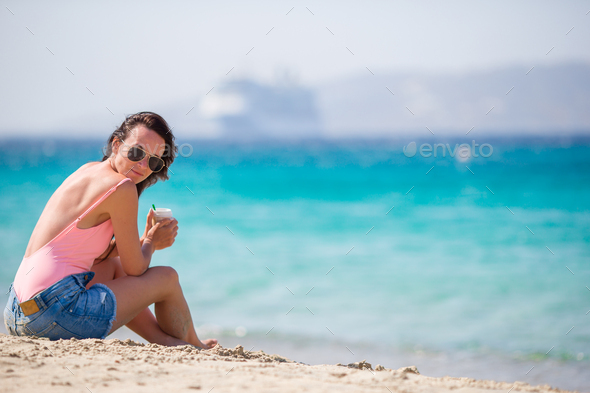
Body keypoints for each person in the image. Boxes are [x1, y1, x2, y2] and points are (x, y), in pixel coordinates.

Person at [3, 112, 218, 349]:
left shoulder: (88, 170)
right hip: (53, 314)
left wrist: (145, 239)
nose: (143, 166)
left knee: (111, 267)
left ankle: (167, 341)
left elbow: (96, 253)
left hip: (17, 314)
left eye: (154, 162)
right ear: (116, 144)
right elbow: (135, 269)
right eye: (137, 152)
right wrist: (151, 243)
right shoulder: (122, 187)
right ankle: (192, 343)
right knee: (167, 278)